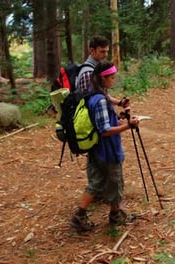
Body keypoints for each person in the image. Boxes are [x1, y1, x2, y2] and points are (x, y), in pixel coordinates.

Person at [70, 61, 139, 232]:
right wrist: (128, 126)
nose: (114, 80)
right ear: (103, 78)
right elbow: (105, 130)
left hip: (95, 149)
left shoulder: (93, 94)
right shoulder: (100, 100)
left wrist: (120, 116)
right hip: (108, 150)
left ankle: (79, 216)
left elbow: (103, 121)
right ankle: (115, 216)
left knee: (96, 182)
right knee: (115, 181)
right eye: (112, 77)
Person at [77, 35, 129, 202]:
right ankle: (100, 193)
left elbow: (102, 94)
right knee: (100, 158)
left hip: (99, 121)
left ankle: (101, 191)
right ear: (92, 51)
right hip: (93, 125)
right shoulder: (87, 73)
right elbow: (94, 98)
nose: (105, 54)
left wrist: (118, 103)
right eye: (101, 51)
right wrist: (121, 123)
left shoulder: (98, 69)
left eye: (107, 51)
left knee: (101, 159)